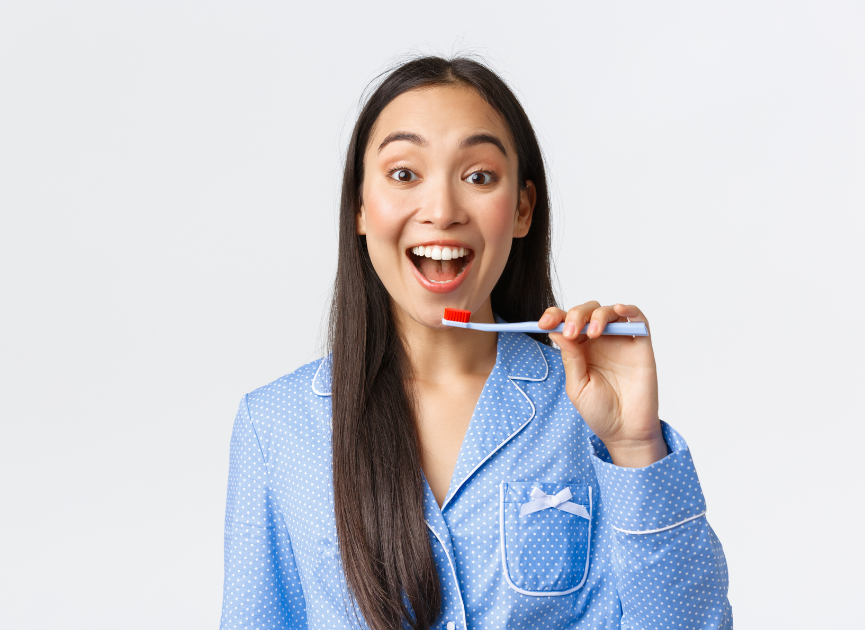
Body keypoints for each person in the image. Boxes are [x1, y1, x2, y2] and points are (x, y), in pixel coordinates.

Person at [220, 56, 732, 630]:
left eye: (479, 176)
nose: (441, 212)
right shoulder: (277, 426)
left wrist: (636, 447)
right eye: (404, 174)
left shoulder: (588, 412)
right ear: (360, 207)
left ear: (521, 209)